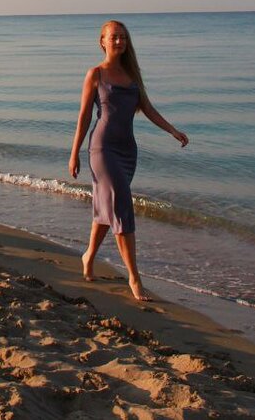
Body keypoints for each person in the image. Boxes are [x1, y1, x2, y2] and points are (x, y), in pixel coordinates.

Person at [69, 20, 188, 300]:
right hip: (102, 149)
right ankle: (134, 277)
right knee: (122, 207)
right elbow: (84, 116)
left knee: (107, 208)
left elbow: (147, 108)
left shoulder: (132, 74)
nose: (119, 41)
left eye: (123, 37)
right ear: (102, 41)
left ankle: (88, 256)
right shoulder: (96, 74)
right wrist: (74, 153)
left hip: (127, 151)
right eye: (114, 37)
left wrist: (172, 130)